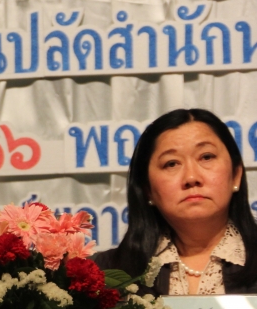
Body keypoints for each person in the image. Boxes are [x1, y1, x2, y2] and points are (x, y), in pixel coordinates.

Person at [93, 108, 257, 295]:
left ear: (236, 175)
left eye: (206, 157)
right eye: (171, 163)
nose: (191, 177)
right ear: (147, 189)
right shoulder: (104, 274)